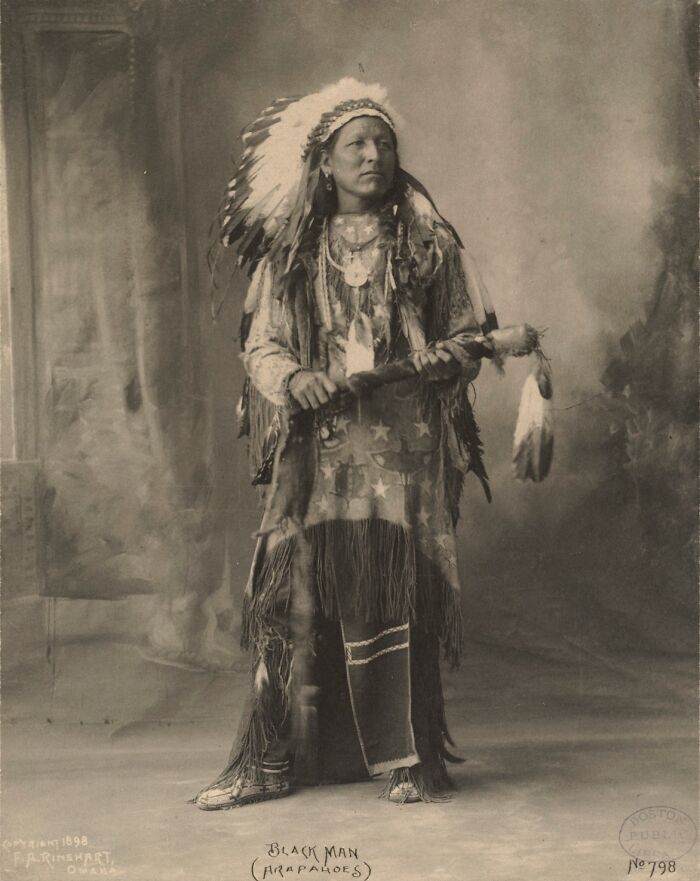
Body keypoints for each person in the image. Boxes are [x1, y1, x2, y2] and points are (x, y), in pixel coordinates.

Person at [191, 78, 498, 810]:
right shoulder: (293, 251)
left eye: (384, 142)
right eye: (356, 143)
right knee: (287, 597)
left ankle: (407, 760)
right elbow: (263, 344)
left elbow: (467, 333)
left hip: (400, 455)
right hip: (317, 452)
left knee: (389, 591)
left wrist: (447, 359)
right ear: (323, 161)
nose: (374, 155)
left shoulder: (427, 241)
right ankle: (270, 761)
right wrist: (294, 377)